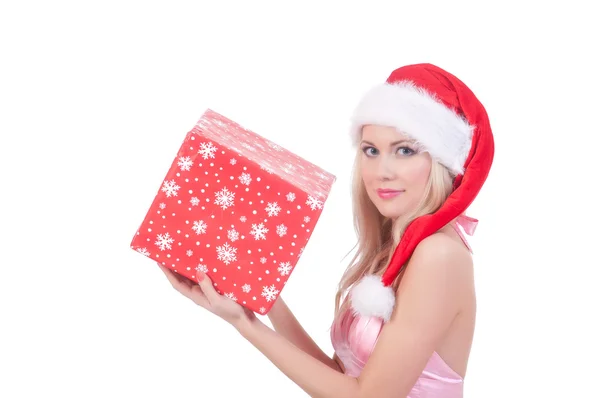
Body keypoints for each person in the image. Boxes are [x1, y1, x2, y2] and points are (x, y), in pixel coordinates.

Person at [158, 62, 495, 397]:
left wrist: (246, 326)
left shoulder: (439, 255)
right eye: (371, 151)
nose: (382, 171)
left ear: (441, 163)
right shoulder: (392, 254)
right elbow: (338, 378)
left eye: (405, 150)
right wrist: (259, 298)